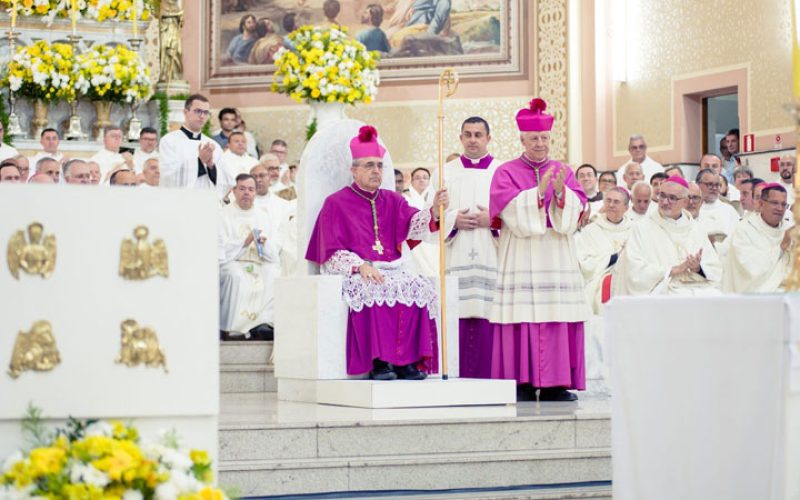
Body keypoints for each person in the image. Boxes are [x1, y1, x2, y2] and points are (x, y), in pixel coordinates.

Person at [305, 125, 449, 380]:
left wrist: (434, 210)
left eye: (380, 166)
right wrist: (359, 265)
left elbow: (414, 224)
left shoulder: (393, 199)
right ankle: (381, 362)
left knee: (419, 286)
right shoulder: (336, 203)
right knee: (373, 286)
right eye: (369, 165)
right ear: (354, 170)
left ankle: (407, 361)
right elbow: (330, 250)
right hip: (359, 270)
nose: (376, 171)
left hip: (392, 267)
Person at [488, 98, 588, 402]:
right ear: (522, 139)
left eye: (544, 138)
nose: (540, 144)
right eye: (534, 138)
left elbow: (579, 208)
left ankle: (557, 383)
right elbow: (505, 209)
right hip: (521, 252)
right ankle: (521, 382)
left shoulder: (563, 170)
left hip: (557, 252)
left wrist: (561, 192)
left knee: (556, 313)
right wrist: (539, 192)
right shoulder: (505, 171)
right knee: (522, 314)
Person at [436, 116, 501, 378]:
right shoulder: (444, 172)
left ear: (488, 138)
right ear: (461, 138)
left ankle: (492, 375)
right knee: (458, 311)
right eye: (468, 134)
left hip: (491, 253)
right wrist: (452, 220)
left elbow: (514, 214)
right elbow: (430, 215)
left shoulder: (502, 171)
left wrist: (493, 220)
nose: (473, 140)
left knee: (489, 311)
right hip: (457, 253)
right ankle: (455, 374)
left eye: (478, 135)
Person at [614, 176, 722, 296]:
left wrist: (698, 268)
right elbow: (634, 270)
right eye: (662, 196)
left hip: (695, 287)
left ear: (685, 202)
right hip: (661, 289)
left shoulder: (695, 229)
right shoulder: (642, 228)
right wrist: (671, 270)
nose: (665, 202)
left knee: (715, 295)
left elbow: (714, 269)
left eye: (672, 198)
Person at [219, 174, 282, 341]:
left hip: (258, 261)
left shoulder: (263, 216)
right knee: (236, 275)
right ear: (234, 191)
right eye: (242, 189)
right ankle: (233, 328)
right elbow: (221, 250)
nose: (246, 193)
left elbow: (275, 252)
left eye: (251, 189)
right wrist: (244, 242)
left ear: (255, 193)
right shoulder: (223, 215)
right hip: (232, 262)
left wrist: (265, 244)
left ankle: (263, 323)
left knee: (274, 272)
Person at [723, 184, 792, 293]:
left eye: (783, 204)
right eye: (774, 203)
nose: (780, 208)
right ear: (761, 204)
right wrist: (781, 248)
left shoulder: (790, 230)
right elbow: (749, 270)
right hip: (758, 294)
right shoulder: (744, 231)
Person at [576, 187, 632, 315]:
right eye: (608, 201)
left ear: (626, 208)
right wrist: (613, 258)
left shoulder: (634, 230)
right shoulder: (591, 230)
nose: (611, 205)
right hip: (599, 281)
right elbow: (584, 262)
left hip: (630, 276)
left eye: (616, 202)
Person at [159, 94, 228, 197]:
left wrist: (211, 167)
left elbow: (224, 181)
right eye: (198, 111)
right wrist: (199, 162)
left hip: (205, 200)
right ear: (185, 112)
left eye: (206, 112)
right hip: (180, 200)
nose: (202, 116)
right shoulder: (169, 141)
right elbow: (168, 176)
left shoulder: (213, 145)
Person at [696, 168, 740, 245]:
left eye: (717, 185)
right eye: (709, 184)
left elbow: (737, 238)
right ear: (698, 185)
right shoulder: (692, 209)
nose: (714, 188)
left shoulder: (729, 210)